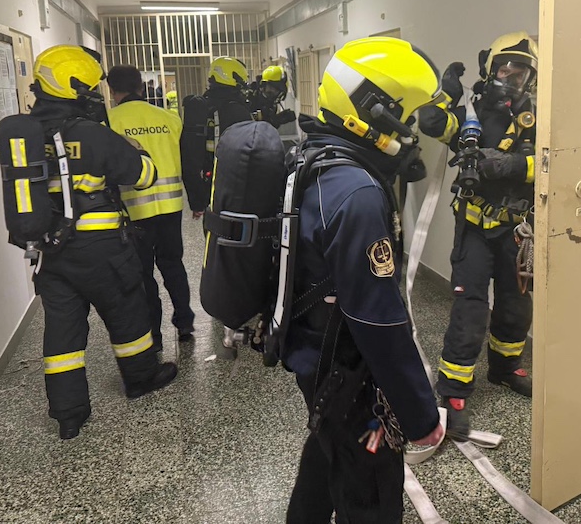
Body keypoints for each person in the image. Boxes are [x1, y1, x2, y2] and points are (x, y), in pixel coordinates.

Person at [284, 37, 445, 524]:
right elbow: (378, 322)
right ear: (372, 113)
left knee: (328, 444)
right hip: (350, 372)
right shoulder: (357, 193)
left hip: (315, 354)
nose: (412, 132)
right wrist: (420, 416)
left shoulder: (318, 158)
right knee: (370, 487)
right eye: (407, 117)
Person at [26, 46, 178, 439]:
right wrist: (138, 152)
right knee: (126, 309)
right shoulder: (92, 134)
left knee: (62, 330)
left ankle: (68, 414)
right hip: (101, 247)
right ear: (78, 87)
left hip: (51, 250)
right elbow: (143, 176)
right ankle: (141, 378)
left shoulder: (26, 136)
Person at [417, 31, 538, 441]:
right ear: (491, 68)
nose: (513, 76)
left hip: (517, 230)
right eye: (506, 68)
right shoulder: (472, 111)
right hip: (473, 228)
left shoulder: (538, 116)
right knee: (469, 308)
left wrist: (511, 166)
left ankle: (506, 368)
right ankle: (453, 390)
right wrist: (445, 95)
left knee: (516, 304)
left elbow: (552, 162)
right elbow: (432, 123)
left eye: (521, 71)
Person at [106, 65, 195, 351]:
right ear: (141, 87)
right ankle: (185, 322)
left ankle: (153, 335)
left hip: (135, 211)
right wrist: (197, 201)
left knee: (143, 273)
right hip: (171, 206)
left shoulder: (108, 122)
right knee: (173, 264)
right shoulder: (169, 118)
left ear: (112, 90)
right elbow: (186, 160)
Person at [180, 57, 252, 223]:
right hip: (237, 186)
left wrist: (197, 201)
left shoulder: (203, 107)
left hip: (208, 187)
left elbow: (189, 159)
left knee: (213, 231)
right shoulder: (238, 111)